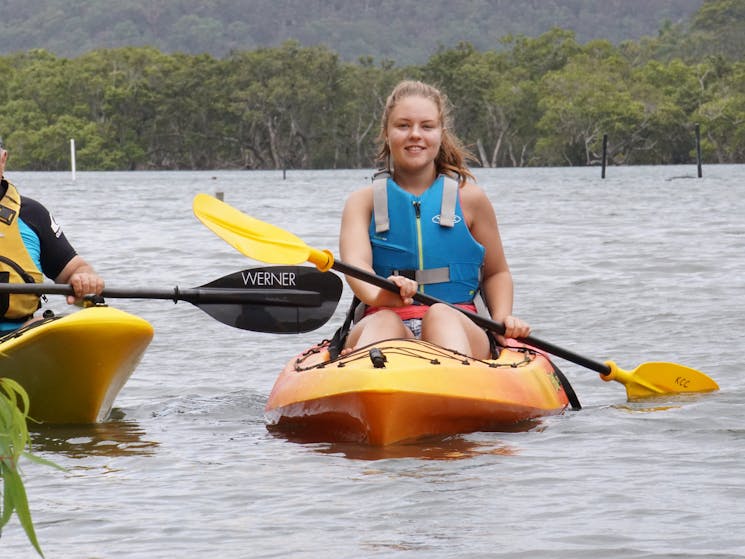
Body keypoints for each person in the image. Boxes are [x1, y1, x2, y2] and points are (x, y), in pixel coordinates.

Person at [339, 80, 530, 358]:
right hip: (384, 319)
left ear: (441, 133)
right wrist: (383, 295)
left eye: (426, 126)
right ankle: (369, 375)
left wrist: (503, 319)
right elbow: (356, 266)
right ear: (386, 133)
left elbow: (496, 272)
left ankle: (453, 381)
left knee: (441, 314)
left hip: (460, 322)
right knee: (384, 322)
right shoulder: (362, 202)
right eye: (403, 126)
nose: (415, 134)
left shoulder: (471, 199)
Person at [0, 144, 105, 332]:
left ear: (3, 158)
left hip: (17, 336)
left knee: (49, 325)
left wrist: (85, 279)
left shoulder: (32, 214)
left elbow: (74, 269)